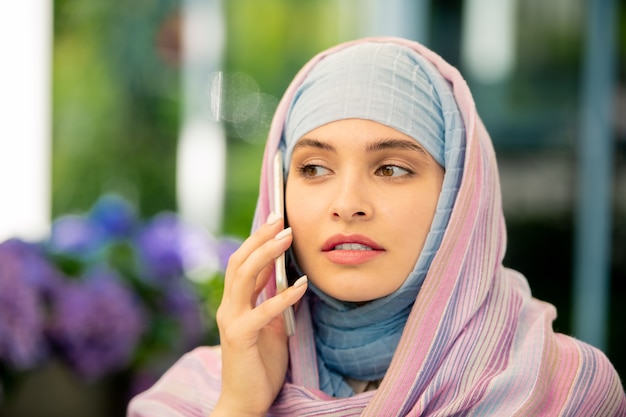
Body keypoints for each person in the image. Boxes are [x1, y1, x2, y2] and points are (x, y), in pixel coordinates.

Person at [127, 37, 626, 416]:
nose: (347, 205)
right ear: (279, 193)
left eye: (391, 169)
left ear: (458, 198)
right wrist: (239, 405)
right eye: (314, 169)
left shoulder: (561, 389)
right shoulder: (195, 393)